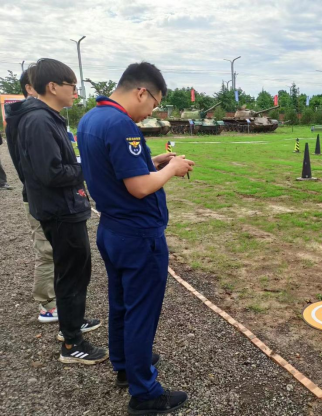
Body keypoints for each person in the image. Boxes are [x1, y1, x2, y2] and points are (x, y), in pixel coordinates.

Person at [78, 62, 194, 415]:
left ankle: (125, 364)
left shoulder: (91, 119)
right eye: (154, 104)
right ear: (141, 92)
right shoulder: (121, 124)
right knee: (142, 312)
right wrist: (171, 169)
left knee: (122, 304)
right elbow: (140, 187)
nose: (151, 112)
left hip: (112, 229)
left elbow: (113, 168)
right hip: (138, 235)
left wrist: (153, 159)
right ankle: (145, 393)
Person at [16, 58, 107, 364]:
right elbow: (51, 173)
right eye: (72, 86)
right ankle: (72, 344)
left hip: (64, 206)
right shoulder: (39, 121)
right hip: (60, 210)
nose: (75, 92)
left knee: (75, 270)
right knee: (72, 273)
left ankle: (72, 322)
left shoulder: (47, 117)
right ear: (53, 87)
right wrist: (87, 167)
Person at [5, 68, 58, 323]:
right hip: (39, 196)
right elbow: (45, 168)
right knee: (46, 250)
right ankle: (47, 305)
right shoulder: (32, 119)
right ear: (29, 87)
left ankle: (55, 297)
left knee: (52, 248)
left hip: (41, 194)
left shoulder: (29, 116)